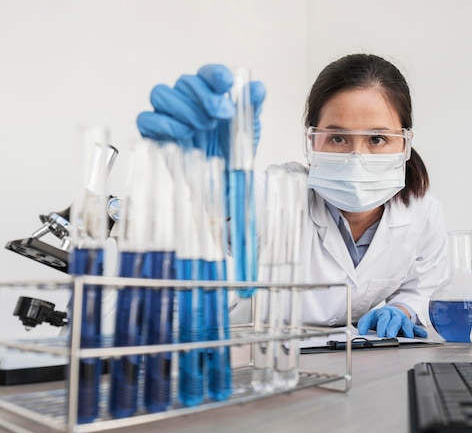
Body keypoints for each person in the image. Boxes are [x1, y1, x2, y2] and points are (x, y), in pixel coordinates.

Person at [136, 53, 448, 338]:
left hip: (352, 369)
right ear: (312, 141)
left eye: (377, 139)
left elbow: (421, 289)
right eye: (338, 138)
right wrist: (213, 186)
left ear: (405, 143)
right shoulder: (278, 193)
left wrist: (403, 309)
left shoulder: (423, 215)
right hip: (251, 364)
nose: (357, 157)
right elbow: (231, 224)